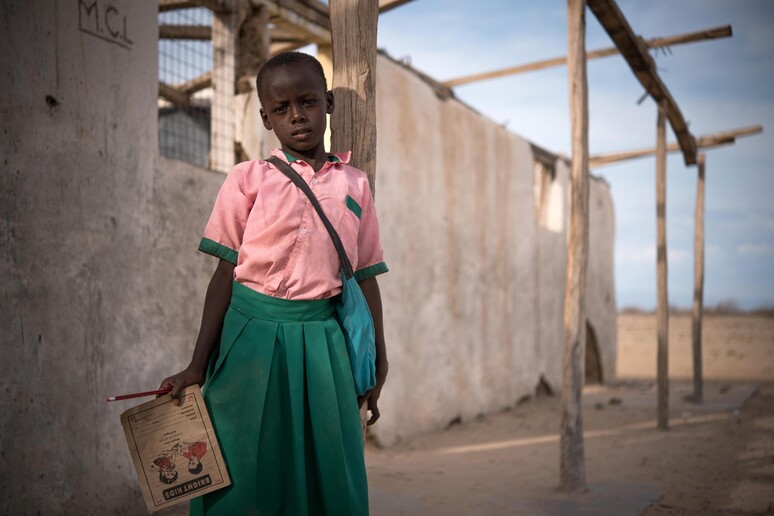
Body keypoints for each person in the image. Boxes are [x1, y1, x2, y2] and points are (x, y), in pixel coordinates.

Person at [159, 51, 389, 516]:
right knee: (240, 458)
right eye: (281, 109)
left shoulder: (356, 185)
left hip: (322, 340)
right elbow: (224, 273)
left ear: (327, 103)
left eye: (307, 102)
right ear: (266, 118)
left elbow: (364, 277)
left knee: (329, 459)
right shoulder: (248, 179)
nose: (296, 116)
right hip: (250, 334)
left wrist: (378, 358)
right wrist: (196, 365)